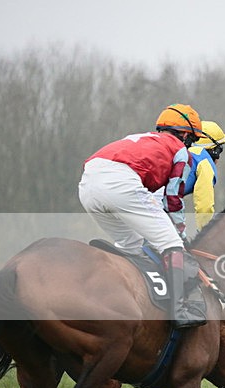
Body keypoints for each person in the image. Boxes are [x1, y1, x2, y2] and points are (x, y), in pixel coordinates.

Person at [78, 104, 208, 328]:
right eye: (193, 139)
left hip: (87, 185)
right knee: (171, 244)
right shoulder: (180, 151)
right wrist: (180, 233)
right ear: (185, 134)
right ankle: (179, 311)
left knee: (133, 245)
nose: (190, 144)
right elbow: (173, 198)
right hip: (120, 183)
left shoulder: (141, 138)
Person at [186, 120, 225, 229]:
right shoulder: (204, 162)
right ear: (215, 151)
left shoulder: (185, 153)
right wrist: (205, 234)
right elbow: (204, 207)